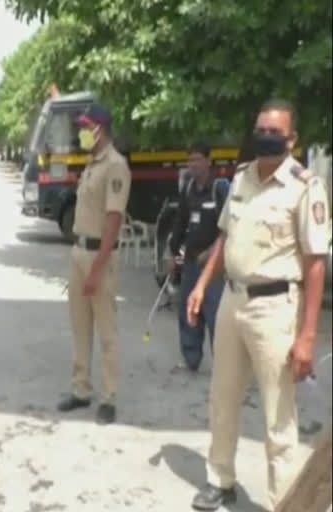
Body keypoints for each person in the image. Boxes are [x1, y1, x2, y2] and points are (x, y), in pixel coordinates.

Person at [188, 99, 331, 510]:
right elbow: (224, 237)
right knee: (223, 397)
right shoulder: (240, 178)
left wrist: (308, 335)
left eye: (275, 132)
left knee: (278, 416)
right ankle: (221, 479)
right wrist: (201, 284)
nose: (265, 137)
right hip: (232, 301)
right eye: (260, 130)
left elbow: (316, 263)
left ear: (292, 139)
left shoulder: (306, 187)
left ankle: (283, 501)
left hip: (275, 310)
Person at [57, 104, 131, 425]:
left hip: (100, 255)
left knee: (106, 332)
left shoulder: (116, 166)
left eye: (86, 126)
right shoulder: (92, 164)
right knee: (80, 326)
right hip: (79, 252)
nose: (82, 132)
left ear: (100, 128)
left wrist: (97, 270)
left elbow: (114, 221)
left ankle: (109, 397)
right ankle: (81, 389)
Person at [168, 142, 230, 372]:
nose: (193, 165)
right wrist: (173, 253)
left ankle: (224, 364)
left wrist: (212, 251)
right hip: (192, 262)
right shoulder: (188, 189)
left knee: (215, 313)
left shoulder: (219, 189)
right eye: (190, 161)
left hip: (214, 265)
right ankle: (190, 358)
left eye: (197, 160)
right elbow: (180, 224)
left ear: (208, 160)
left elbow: (229, 228)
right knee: (188, 310)